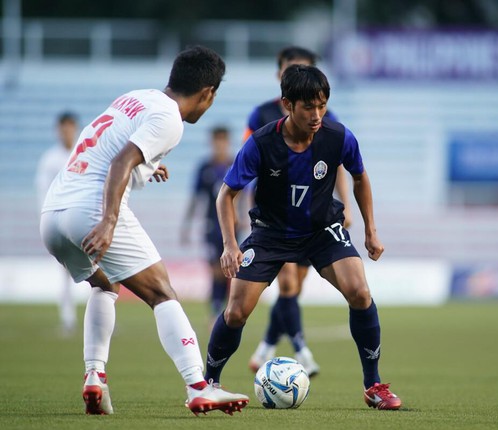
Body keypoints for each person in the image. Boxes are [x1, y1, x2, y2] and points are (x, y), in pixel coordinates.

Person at [39, 46, 249, 416]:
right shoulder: (171, 119)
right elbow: (121, 160)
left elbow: (106, 150)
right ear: (208, 94)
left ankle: (95, 376)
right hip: (91, 208)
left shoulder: (135, 98)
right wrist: (107, 220)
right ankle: (198, 386)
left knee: (105, 284)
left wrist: (146, 168)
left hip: (54, 214)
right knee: (162, 292)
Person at [206, 64, 402, 410]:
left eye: (322, 105)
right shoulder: (262, 143)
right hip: (270, 233)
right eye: (309, 106)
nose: (317, 115)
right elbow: (227, 195)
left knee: (360, 291)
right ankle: (209, 383)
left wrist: (371, 229)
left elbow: (360, 177)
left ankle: (373, 385)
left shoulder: (338, 137)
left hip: (321, 230)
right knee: (236, 311)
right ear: (287, 104)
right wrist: (230, 245)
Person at [245, 46, 353, 376]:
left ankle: (264, 347)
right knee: (288, 285)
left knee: (293, 290)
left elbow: (339, 164)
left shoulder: (325, 118)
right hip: (276, 216)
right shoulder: (261, 115)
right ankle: (302, 352)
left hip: (314, 216)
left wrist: (345, 205)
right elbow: (246, 162)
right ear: (280, 74)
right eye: (291, 68)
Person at [181, 126, 238, 321]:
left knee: (231, 270)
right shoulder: (205, 168)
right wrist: (186, 226)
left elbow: (245, 194)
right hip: (212, 225)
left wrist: (246, 218)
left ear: (228, 142)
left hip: (233, 226)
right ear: (212, 142)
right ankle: (215, 312)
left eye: (223, 141)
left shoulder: (235, 164)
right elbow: (196, 199)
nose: (220, 145)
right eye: (217, 141)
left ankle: (226, 311)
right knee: (216, 270)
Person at [35, 111, 80, 335]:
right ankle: (68, 318)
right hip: (59, 223)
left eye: (70, 127)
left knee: (104, 269)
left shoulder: (84, 152)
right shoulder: (50, 159)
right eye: (63, 128)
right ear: (58, 130)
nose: (67, 132)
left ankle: (104, 319)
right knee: (64, 273)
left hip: (84, 221)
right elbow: (42, 192)